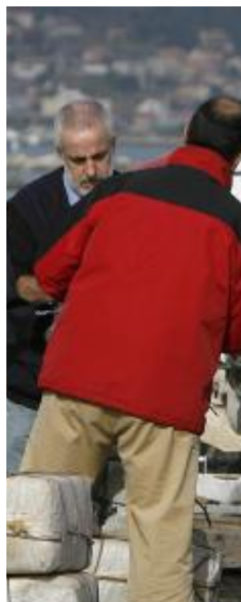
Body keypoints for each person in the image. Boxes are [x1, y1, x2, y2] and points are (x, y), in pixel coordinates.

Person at [19, 96, 241, 602]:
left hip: (78, 383)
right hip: (164, 401)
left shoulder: (117, 192)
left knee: (32, 530)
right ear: (240, 155)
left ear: (185, 130)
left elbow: (46, 278)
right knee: (160, 554)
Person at [7, 99, 116, 474]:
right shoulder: (26, 207)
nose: (91, 170)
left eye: (99, 157)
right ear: (60, 155)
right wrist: (59, 291)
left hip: (105, 390)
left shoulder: (133, 200)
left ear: (113, 146)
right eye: (78, 160)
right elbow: (14, 280)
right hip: (29, 385)